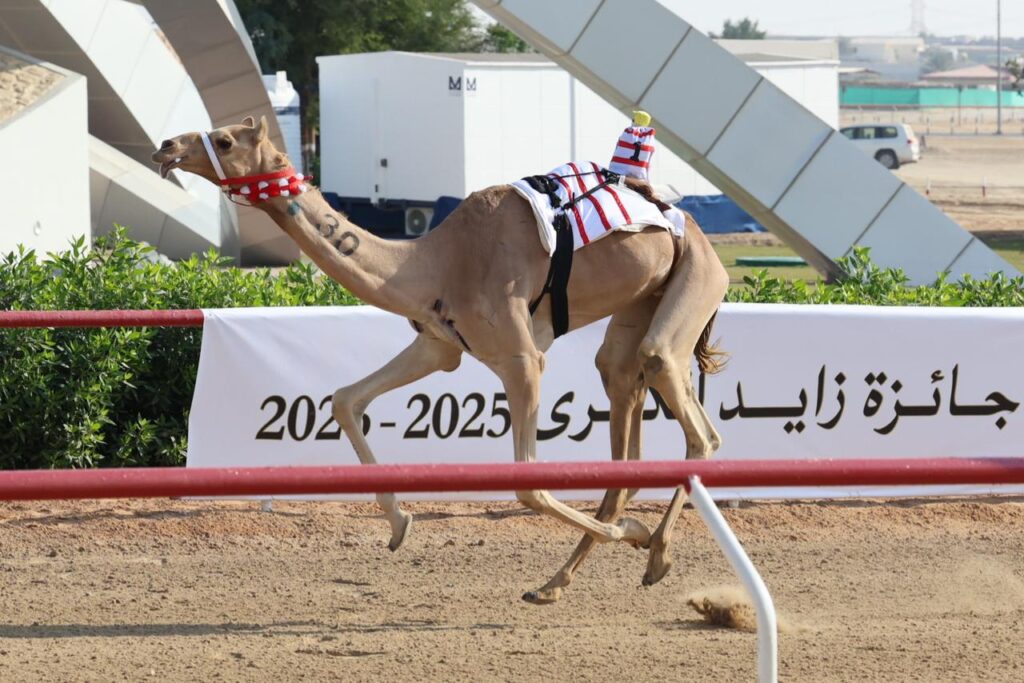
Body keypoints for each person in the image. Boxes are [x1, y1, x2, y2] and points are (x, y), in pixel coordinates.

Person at [610, 111, 687, 233]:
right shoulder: (650, 139)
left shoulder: (626, 134)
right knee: (661, 203)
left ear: (634, 120)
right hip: (640, 180)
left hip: (616, 177)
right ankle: (677, 229)